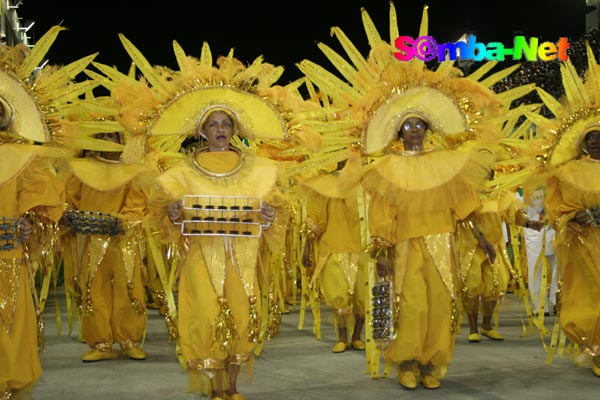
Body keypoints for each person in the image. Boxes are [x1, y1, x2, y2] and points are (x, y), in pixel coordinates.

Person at [155, 106, 284, 400]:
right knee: (207, 313)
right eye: (213, 125)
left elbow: (273, 211)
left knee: (241, 312)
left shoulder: (257, 168)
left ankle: (233, 387)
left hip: (243, 254)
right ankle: (216, 388)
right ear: (202, 132)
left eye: (226, 124)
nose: (221, 130)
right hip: (202, 253)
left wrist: (268, 214)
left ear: (235, 130)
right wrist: (173, 212)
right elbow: (169, 212)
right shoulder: (183, 171)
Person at [362, 114, 496, 390]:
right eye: (408, 126)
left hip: (441, 242)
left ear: (427, 128)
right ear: (399, 131)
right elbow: (382, 212)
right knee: (412, 306)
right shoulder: (389, 166)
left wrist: (481, 238)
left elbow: (462, 206)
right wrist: (382, 252)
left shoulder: (444, 163)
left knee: (440, 305)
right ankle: (407, 362)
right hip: (406, 245)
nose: (414, 130)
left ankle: (428, 364)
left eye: (419, 125)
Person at [62, 132, 151, 362]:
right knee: (93, 289)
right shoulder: (81, 170)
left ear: (122, 140)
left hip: (122, 241)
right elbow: (69, 201)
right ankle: (101, 342)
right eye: (101, 136)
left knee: (129, 289)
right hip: (90, 241)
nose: (107, 141)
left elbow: (138, 205)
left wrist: (124, 220)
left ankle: (128, 340)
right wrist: (69, 216)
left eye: (111, 136)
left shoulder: (132, 172)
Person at [545, 125, 600, 377]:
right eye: (590, 136)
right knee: (589, 293)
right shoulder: (568, 171)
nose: (595, 141)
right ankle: (596, 347)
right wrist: (574, 215)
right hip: (582, 244)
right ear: (582, 142)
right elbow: (554, 209)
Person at [301, 152, 367, 353]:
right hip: (333, 247)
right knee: (339, 296)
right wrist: (307, 249)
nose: (345, 159)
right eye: (341, 154)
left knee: (361, 297)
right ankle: (343, 337)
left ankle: (356, 337)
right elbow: (317, 221)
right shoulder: (326, 186)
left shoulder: (365, 184)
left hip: (360, 249)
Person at [459, 184, 542, 343]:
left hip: (494, 246)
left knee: (494, 285)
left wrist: (528, 223)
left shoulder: (501, 193)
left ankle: (486, 327)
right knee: (473, 285)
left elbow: (513, 214)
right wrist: (480, 238)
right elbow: (465, 218)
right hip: (472, 247)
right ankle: (473, 329)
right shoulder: (468, 192)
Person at [516, 187, 558, 317]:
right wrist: (528, 223)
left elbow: (516, 214)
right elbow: (517, 213)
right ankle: (544, 305)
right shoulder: (523, 191)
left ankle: (555, 302)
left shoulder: (555, 185)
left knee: (556, 268)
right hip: (535, 232)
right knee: (539, 269)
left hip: (553, 230)